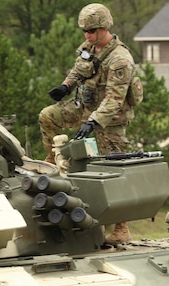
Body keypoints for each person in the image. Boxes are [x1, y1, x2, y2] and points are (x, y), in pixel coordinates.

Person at [39, 2, 137, 244]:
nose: (87, 36)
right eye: (85, 31)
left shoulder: (120, 60)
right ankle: (52, 160)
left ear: (104, 28)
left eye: (92, 31)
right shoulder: (89, 47)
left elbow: (115, 99)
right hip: (84, 107)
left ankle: (121, 228)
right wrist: (66, 86)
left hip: (109, 118)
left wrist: (93, 122)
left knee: (114, 170)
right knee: (47, 116)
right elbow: (78, 69)